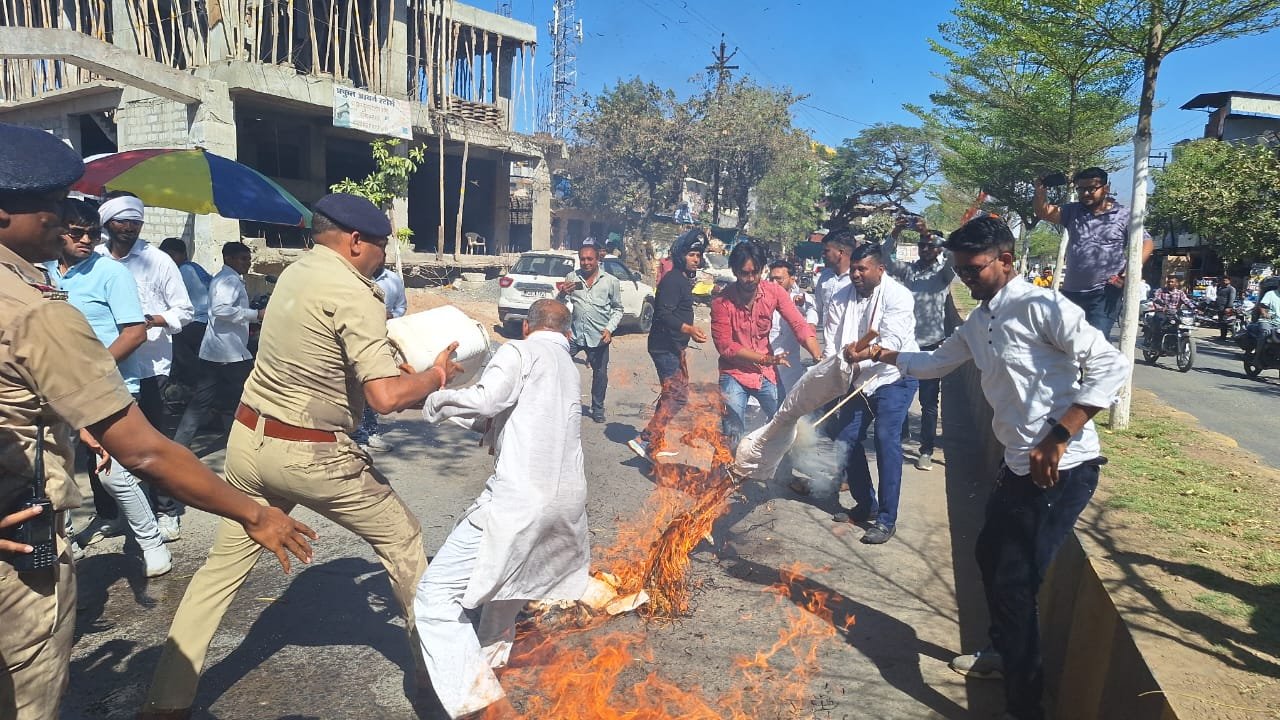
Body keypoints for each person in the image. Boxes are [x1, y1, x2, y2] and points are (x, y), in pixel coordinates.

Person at [0, 120, 314, 720]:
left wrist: (69, 410)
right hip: (21, 549)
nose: (67, 221)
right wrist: (254, 513)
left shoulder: (62, 282)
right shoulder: (35, 310)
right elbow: (144, 451)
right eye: (52, 206)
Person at [139, 193, 463, 719]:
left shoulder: (294, 273)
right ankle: (443, 684)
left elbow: (327, 358)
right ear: (355, 242)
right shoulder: (355, 292)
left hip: (248, 442)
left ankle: (165, 702)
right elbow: (385, 398)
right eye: (380, 245)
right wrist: (436, 376)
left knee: (220, 571)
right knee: (403, 540)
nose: (382, 256)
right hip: (312, 454)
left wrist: (401, 369)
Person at [844, 216, 1128, 720]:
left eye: (974, 270)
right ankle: (1003, 652)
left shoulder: (1043, 306)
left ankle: (1025, 706)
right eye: (961, 271)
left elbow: (1112, 365)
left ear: (1005, 260)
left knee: (1015, 583)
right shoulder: (979, 321)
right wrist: (882, 354)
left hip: (1063, 470)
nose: (966, 279)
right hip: (1017, 466)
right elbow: (934, 363)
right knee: (989, 555)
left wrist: (1059, 436)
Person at [416, 299, 590, 719]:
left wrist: (432, 395)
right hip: (566, 506)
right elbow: (499, 417)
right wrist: (443, 403)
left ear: (526, 327)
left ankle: (485, 706)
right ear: (565, 332)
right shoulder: (567, 366)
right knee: (504, 595)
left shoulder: (519, 350)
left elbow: (485, 402)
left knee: (435, 597)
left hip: (519, 501)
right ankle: (489, 671)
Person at [44, 199, 173, 576]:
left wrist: (93, 370)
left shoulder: (111, 273)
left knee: (112, 472)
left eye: (93, 234)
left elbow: (134, 332)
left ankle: (151, 542)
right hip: (54, 386)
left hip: (107, 385)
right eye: (77, 232)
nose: (86, 240)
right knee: (55, 468)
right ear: (58, 230)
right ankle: (65, 543)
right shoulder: (45, 271)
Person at [97, 192, 194, 541]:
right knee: (100, 443)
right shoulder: (93, 259)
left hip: (151, 367)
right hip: (105, 368)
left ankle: (166, 511)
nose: (130, 227)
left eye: (136, 221)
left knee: (155, 443)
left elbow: (184, 310)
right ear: (107, 222)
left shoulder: (158, 260)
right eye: (123, 221)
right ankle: (109, 513)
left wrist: (152, 320)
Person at [828, 243, 919, 545]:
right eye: (853, 269)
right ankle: (866, 503)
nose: (855, 274)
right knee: (845, 439)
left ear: (880, 269)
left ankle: (886, 519)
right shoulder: (840, 295)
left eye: (862, 269)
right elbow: (832, 341)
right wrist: (833, 374)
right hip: (858, 379)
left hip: (895, 376)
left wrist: (861, 354)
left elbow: (891, 343)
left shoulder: (899, 296)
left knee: (884, 439)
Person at [711, 242, 820, 448]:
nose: (750, 279)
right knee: (733, 433)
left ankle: (783, 469)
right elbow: (726, 346)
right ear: (735, 271)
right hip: (733, 373)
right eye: (744, 273)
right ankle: (726, 469)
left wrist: (817, 355)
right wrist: (765, 359)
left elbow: (799, 324)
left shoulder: (774, 292)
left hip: (765, 374)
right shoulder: (721, 302)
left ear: (762, 270)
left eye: (755, 272)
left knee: (784, 425)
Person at [1033, 167, 1153, 338]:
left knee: (1095, 342)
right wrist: (1040, 191)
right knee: (1062, 342)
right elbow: (1043, 212)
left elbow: (1146, 243)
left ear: (1106, 188)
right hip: (1071, 292)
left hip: (1104, 293)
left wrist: (1130, 271)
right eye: (1081, 189)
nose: (1085, 193)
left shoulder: (1123, 215)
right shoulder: (1072, 211)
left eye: (1091, 188)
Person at [171, 242, 262, 453]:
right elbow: (221, 310)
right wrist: (255, 314)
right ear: (229, 258)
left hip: (215, 351)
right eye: (243, 259)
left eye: (248, 259)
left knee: (202, 402)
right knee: (252, 395)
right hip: (230, 353)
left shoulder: (224, 278)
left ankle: (179, 447)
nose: (247, 263)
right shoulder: (229, 280)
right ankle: (250, 443)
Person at [627, 229, 708, 460]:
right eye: (692, 255)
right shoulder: (673, 280)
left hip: (673, 347)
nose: (696, 259)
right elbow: (664, 314)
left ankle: (654, 443)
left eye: (698, 255)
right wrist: (689, 329)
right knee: (677, 395)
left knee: (670, 394)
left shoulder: (681, 279)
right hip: (664, 347)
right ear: (681, 256)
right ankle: (645, 438)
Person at [883, 218, 957, 471]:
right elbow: (885, 259)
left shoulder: (943, 273)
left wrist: (928, 233)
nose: (924, 249)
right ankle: (901, 434)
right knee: (899, 393)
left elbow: (953, 254)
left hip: (931, 347)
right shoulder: (909, 271)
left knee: (928, 403)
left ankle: (926, 450)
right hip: (906, 345)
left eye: (929, 245)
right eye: (921, 245)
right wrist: (896, 231)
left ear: (937, 248)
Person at [557, 241, 623, 423]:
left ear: (597, 259)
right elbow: (561, 305)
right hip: (574, 334)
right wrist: (562, 294)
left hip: (598, 337)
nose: (586, 263)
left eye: (589, 259)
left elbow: (618, 309)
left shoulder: (610, 281)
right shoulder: (572, 277)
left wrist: (609, 329)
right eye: (582, 259)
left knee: (600, 374)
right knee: (557, 365)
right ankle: (559, 403)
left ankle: (597, 408)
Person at [352, 265, 409, 451]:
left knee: (372, 385)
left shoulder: (393, 280)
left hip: (382, 341)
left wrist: (392, 316)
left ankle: (371, 432)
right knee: (355, 387)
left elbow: (401, 307)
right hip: (357, 339)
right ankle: (357, 436)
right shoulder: (352, 278)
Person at [159, 237, 211, 389]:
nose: (168, 260)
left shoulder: (183, 271)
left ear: (182, 254)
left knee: (174, 340)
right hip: (207, 319)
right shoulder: (194, 267)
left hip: (199, 319)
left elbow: (171, 300)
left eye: (171, 255)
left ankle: (194, 380)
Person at [767, 259, 819, 398]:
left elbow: (811, 309)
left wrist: (810, 324)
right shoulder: (761, 300)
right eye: (771, 279)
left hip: (788, 368)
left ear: (792, 279)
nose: (774, 283)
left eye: (779, 279)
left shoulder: (797, 299)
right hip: (764, 363)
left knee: (787, 403)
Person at [1145, 275, 1195, 350]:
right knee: (1160, 322)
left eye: (1172, 282)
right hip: (1162, 312)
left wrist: (1194, 308)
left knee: (1180, 323)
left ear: (1176, 283)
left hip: (1174, 313)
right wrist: (1162, 308)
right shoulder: (1160, 290)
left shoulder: (1180, 292)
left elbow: (1186, 301)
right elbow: (1156, 299)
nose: (1170, 283)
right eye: (1168, 282)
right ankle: (1155, 343)